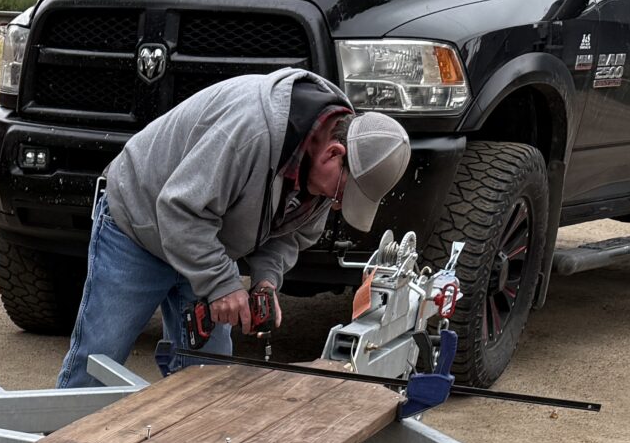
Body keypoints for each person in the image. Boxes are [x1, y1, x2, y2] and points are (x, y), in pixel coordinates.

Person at [56, 69, 411, 389]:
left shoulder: (329, 161)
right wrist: (221, 284)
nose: (336, 205)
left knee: (210, 379)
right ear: (334, 154)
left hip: (206, 240)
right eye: (341, 194)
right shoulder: (252, 131)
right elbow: (178, 208)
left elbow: (293, 233)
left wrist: (266, 279)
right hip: (139, 223)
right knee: (97, 361)